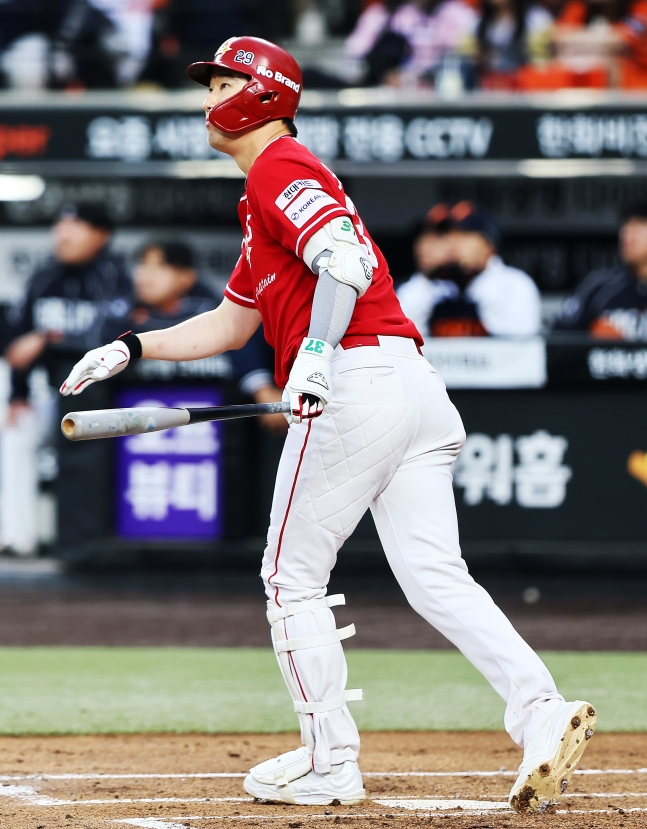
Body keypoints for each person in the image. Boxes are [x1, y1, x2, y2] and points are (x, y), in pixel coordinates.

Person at [60, 36, 596, 813]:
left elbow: (342, 258)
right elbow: (231, 323)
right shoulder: (263, 196)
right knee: (436, 577)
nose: (208, 100)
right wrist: (131, 346)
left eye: (221, 85)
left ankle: (329, 760)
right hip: (408, 384)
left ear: (261, 95)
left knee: (290, 576)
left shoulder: (279, 165)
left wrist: (313, 355)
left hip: (355, 378)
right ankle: (540, 709)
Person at [4, 201, 132, 551]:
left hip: (104, 398)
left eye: (75, 227)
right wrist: (17, 397)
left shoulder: (115, 277)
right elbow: (17, 345)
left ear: (101, 235)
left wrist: (48, 339)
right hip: (53, 394)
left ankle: (87, 542)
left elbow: (107, 337)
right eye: (60, 226)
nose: (63, 235)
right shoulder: (44, 277)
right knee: (16, 435)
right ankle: (18, 540)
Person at [554, 203, 647, 338]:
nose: (627, 235)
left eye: (637, 226)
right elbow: (559, 338)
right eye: (625, 226)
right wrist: (596, 342)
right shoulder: (598, 287)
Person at [396, 204, 463, 338]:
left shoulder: (471, 283)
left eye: (434, 239)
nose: (424, 247)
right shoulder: (409, 291)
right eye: (421, 239)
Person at [474, 0, 553, 88]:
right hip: (491, 86)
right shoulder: (480, 20)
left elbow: (541, 62)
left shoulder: (535, 18)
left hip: (525, 85)